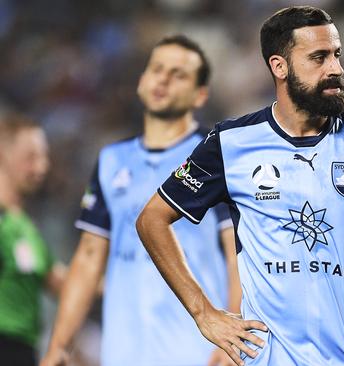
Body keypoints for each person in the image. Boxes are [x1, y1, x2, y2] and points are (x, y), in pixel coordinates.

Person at [136, 6, 344, 366]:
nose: (335, 68)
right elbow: (152, 219)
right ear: (280, 66)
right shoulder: (231, 144)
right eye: (318, 58)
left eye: (337, 55)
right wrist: (203, 312)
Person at [40, 35, 241, 366]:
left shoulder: (215, 155)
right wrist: (60, 345)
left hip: (197, 351)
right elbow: (89, 257)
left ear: (200, 94)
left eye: (178, 74)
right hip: (123, 352)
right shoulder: (111, 160)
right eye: (157, 69)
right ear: (141, 81)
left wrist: (232, 333)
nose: (163, 78)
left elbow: (237, 253)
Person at [0, 114, 66, 366]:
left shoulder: (25, 227)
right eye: (31, 157)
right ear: (3, 155)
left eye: (44, 157)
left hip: (24, 350)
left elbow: (61, 281)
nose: (42, 167)